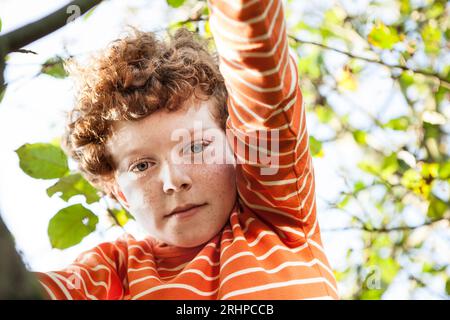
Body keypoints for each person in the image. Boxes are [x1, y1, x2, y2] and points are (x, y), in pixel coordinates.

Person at [35, 0, 339, 299]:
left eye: (196, 147)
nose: (173, 181)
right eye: (142, 165)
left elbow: (257, 62)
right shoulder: (113, 270)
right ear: (121, 193)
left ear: (235, 145)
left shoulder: (277, 214)